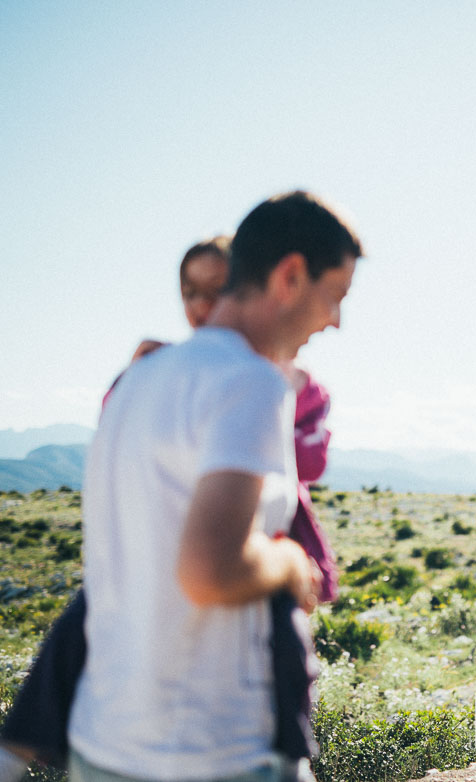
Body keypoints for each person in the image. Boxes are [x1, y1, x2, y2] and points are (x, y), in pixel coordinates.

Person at [66, 191, 361, 782]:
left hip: (104, 740)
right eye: (334, 296)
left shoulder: (137, 378)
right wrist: (290, 562)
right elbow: (212, 571)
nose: (335, 320)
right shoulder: (249, 382)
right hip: (210, 748)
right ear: (291, 275)